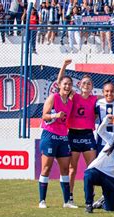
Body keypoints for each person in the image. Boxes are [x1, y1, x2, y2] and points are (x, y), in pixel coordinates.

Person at [56, 60, 98, 206]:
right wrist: (64, 66)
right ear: (79, 85)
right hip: (73, 135)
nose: (86, 85)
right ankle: (70, 197)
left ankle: (90, 198)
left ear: (92, 87)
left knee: (91, 169)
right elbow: (59, 83)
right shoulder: (74, 96)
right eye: (83, 83)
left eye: (89, 83)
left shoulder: (95, 100)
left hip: (87, 136)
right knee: (72, 168)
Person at [38, 73, 76, 209]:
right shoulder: (53, 97)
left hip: (63, 137)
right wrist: (55, 115)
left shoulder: (70, 102)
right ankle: (42, 200)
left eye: (69, 84)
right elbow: (44, 116)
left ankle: (67, 202)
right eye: (65, 84)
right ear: (59, 85)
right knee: (46, 168)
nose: (67, 86)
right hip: (49, 136)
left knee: (65, 169)